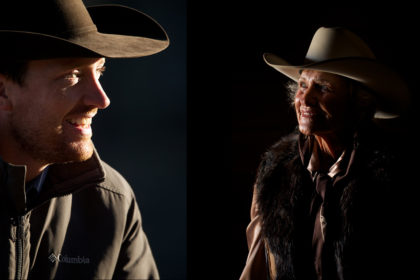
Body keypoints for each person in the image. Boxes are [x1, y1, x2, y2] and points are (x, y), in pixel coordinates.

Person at [0, 0, 169, 279]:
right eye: (72, 75)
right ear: (3, 91)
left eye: (99, 71)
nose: (101, 100)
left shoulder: (111, 202)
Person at [240, 27, 418, 280]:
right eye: (302, 85)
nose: (306, 99)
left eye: (322, 87)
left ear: (357, 101)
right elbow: (257, 267)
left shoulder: (395, 175)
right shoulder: (274, 171)